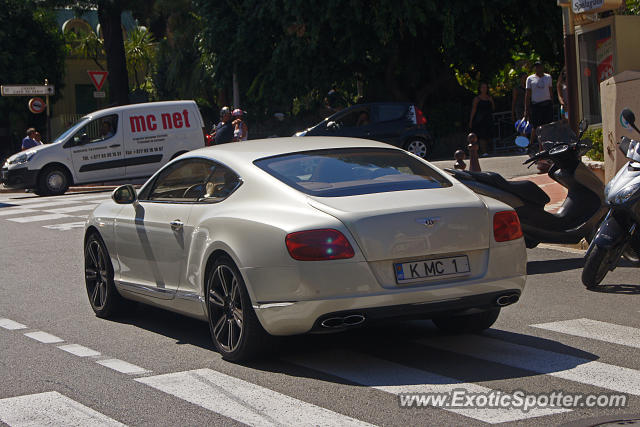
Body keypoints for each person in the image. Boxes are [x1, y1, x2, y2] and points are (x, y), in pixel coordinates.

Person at [524, 61, 554, 150]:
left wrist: (552, 103)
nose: (538, 69)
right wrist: (526, 108)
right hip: (536, 105)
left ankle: (548, 146)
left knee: (547, 126)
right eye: (536, 67)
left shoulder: (548, 77)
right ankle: (537, 146)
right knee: (537, 127)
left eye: (539, 67)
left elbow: (550, 91)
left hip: (547, 104)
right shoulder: (530, 79)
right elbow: (528, 94)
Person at [468, 82, 495, 157]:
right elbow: (473, 110)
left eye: (485, 87)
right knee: (482, 136)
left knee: (489, 135)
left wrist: (491, 101)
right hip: (480, 119)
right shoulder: (477, 99)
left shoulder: (489, 98)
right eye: (482, 87)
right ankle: (484, 151)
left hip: (488, 118)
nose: (484, 89)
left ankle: (490, 150)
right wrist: (471, 121)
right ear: (480, 89)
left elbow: (493, 108)